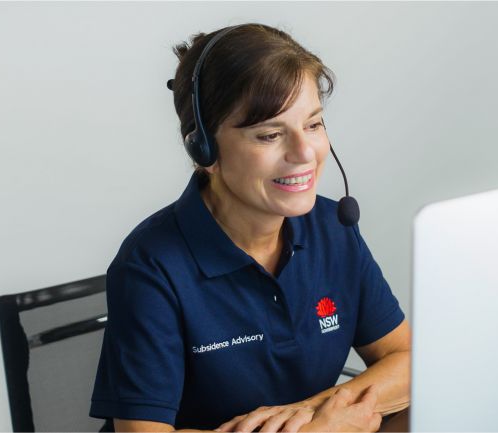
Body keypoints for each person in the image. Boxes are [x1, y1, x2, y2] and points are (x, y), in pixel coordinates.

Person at [90, 23, 411, 432]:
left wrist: (310, 413)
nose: (304, 154)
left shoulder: (333, 228)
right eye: (270, 134)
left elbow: (406, 359)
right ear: (203, 148)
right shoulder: (150, 265)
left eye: (313, 125)